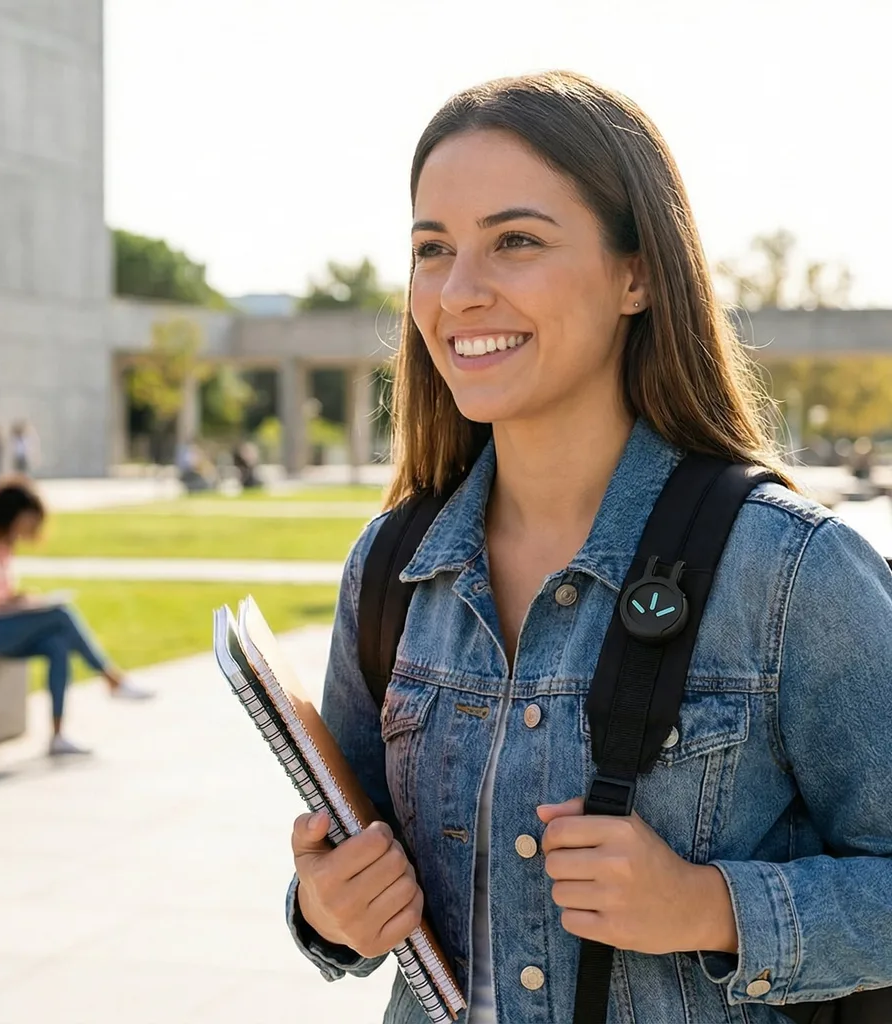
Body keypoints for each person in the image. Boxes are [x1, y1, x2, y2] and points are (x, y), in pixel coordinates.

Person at [285, 72, 892, 1023]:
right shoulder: (393, 569)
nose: (459, 291)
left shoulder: (790, 573)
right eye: (431, 249)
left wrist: (709, 907)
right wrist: (326, 911)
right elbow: (353, 877)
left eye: (515, 241)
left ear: (637, 273)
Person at [0, 477, 153, 756]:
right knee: (60, 615)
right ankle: (112, 679)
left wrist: (19, 602)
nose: (32, 527)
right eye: (29, 519)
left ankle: (58, 735)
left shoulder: (3, 548)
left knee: (56, 644)